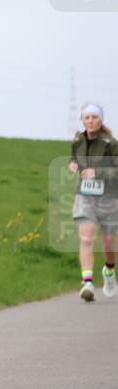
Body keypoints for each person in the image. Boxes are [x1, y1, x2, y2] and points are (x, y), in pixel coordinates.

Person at [68, 103, 118, 301]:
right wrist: (72, 163)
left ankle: (109, 271)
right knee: (87, 237)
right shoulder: (78, 140)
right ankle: (87, 282)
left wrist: (97, 173)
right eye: (87, 117)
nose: (90, 121)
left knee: (107, 241)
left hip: (109, 197)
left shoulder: (111, 143)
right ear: (82, 120)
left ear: (101, 120)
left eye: (94, 117)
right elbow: (75, 157)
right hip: (85, 196)